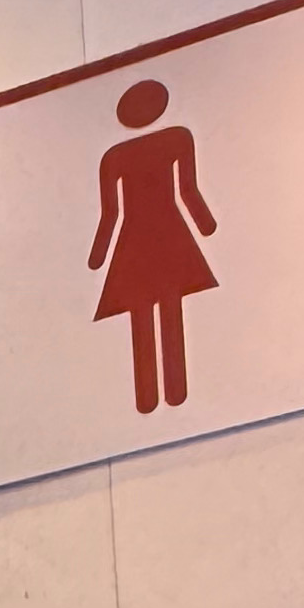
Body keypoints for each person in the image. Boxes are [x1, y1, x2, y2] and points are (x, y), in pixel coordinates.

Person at [87, 73, 218, 416]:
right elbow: (187, 191)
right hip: (166, 233)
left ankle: (151, 398)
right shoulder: (176, 139)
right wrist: (205, 225)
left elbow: (111, 214)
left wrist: (99, 255)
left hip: (135, 241)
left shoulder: (116, 156)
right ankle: (173, 391)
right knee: (168, 305)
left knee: (142, 312)